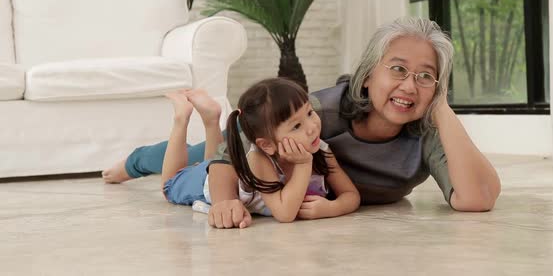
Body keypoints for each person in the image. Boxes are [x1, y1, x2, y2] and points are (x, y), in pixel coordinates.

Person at [104, 17, 501, 229]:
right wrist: (224, 203)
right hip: (256, 164)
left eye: (426, 76)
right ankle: (129, 163)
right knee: (191, 161)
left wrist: (442, 108)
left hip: (317, 188)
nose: (409, 86)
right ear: (367, 76)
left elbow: (477, 198)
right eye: (397, 69)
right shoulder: (315, 113)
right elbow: (231, 151)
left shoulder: (425, 132)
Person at [104, 79, 360, 226]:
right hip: (205, 184)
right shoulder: (262, 159)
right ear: (267, 144)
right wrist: (303, 165)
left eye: (310, 113)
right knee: (170, 185)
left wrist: (332, 208)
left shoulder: (322, 150)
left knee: (211, 160)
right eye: (296, 126)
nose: (312, 127)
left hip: (222, 169)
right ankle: (181, 117)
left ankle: (211, 119)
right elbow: (285, 213)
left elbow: (351, 195)